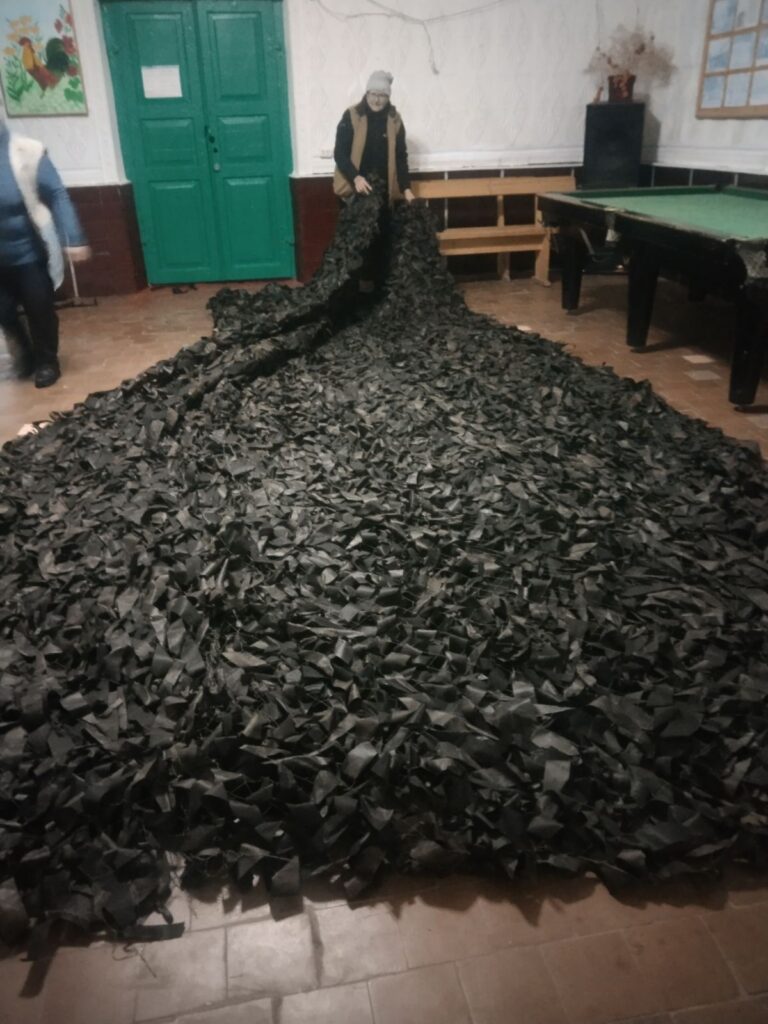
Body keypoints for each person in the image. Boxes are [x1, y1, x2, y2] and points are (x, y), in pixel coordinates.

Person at [0, 116, 91, 388]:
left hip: (29, 252)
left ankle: (47, 361)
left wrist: (73, 237)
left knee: (39, 308)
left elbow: (57, 193)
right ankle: (25, 354)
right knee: (4, 312)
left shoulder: (27, 151)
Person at [333, 71, 414, 290]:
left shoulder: (395, 120)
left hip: (382, 193)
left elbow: (401, 157)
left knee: (381, 244)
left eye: (382, 95)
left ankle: (378, 293)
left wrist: (406, 188)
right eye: (373, 94)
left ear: (388, 97)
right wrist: (356, 177)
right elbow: (340, 153)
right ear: (366, 93)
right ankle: (353, 292)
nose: (377, 100)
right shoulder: (351, 116)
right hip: (355, 191)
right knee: (355, 245)